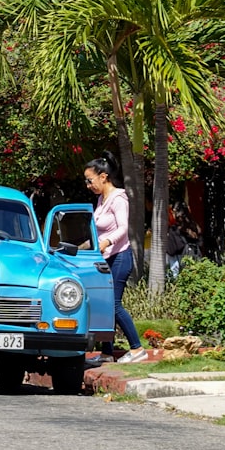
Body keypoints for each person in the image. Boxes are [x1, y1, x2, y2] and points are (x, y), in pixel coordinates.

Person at [84, 151, 147, 364]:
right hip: (105, 259)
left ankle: (137, 349)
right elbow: (98, 232)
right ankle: (107, 353)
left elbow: (123, 229)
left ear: (103, 177)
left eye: (90, 180)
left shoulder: (119, 198)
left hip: (120, 258)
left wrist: (106, 242)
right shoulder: (102, 200)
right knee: (104, 304)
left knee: (113, 305)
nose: (88, 185)